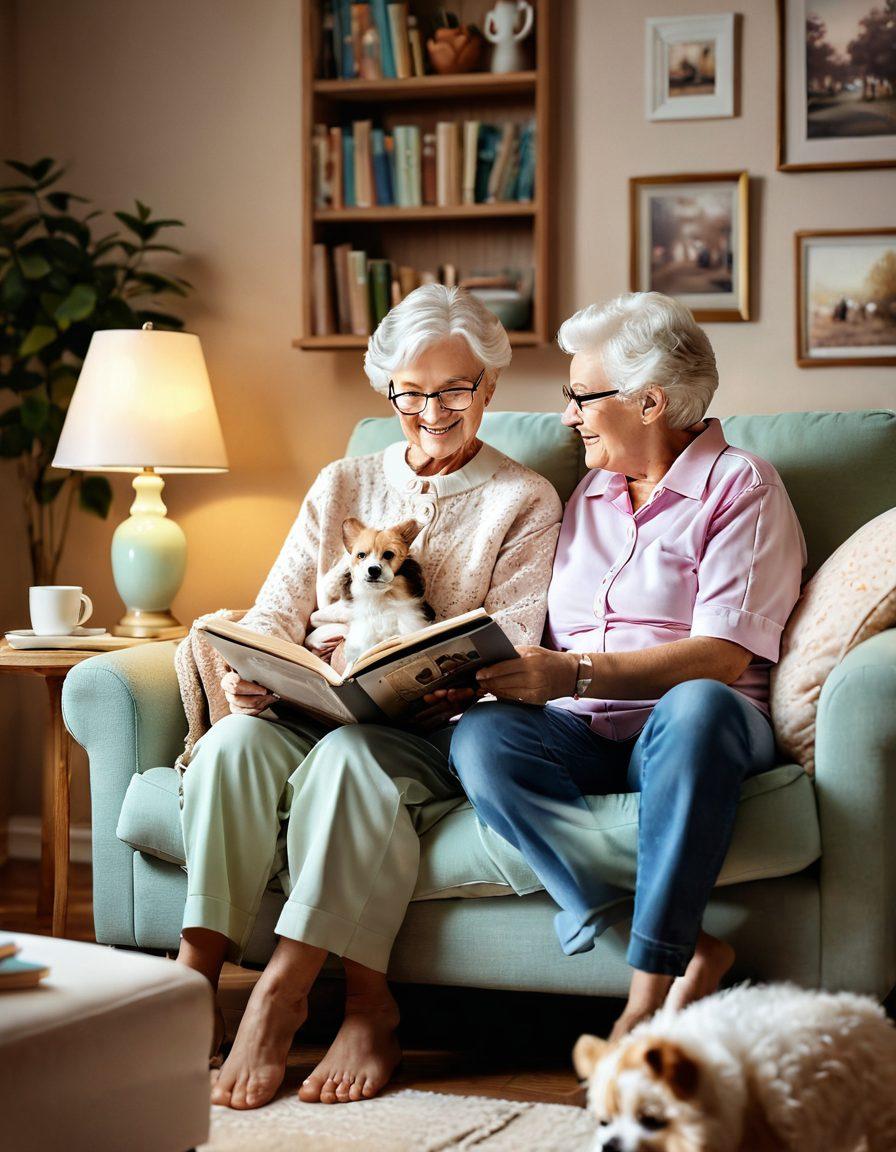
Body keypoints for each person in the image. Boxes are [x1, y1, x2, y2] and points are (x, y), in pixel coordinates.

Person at [175, 284, 562, 1108]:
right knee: (231, 746)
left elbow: (518, 644)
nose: (431, 411)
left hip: (427, 732)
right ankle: (191, 982)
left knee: (351, 759)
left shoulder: (524, 500)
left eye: (454, 390)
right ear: (387, 390)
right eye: (410, 392)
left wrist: (442, 684)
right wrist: (258, 665)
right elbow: (276, 607)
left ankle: (325, 1001)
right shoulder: (341, 482)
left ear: (489, 389)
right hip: (311, 707)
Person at [449, 291, 806, 1041]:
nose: (567, 414)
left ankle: (648, 987)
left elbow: (721, 654)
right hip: (581, 731)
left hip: (696, 730)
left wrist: (573, 673)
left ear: (648, 403)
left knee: (701, 704)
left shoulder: (742, 486)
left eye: (581, 396)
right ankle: (693, 948)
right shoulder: (587, 491)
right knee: (482, 739)